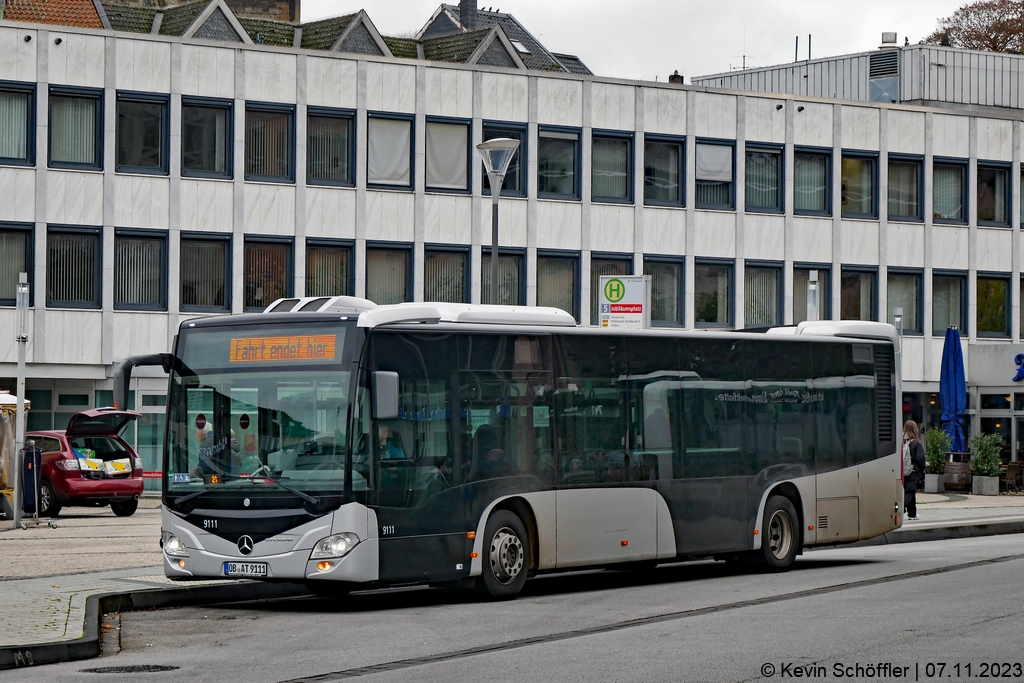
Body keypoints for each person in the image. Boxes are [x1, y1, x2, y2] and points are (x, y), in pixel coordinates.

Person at [903, 420, 926, 520]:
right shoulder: (916, 443)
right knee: (909, 492)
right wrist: (922, 469)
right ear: (914, 430)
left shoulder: (902, 442)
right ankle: (901, 509)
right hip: (913, 471)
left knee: (910, 492)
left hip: (903, 471)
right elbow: (920, 458)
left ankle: (912, 514)